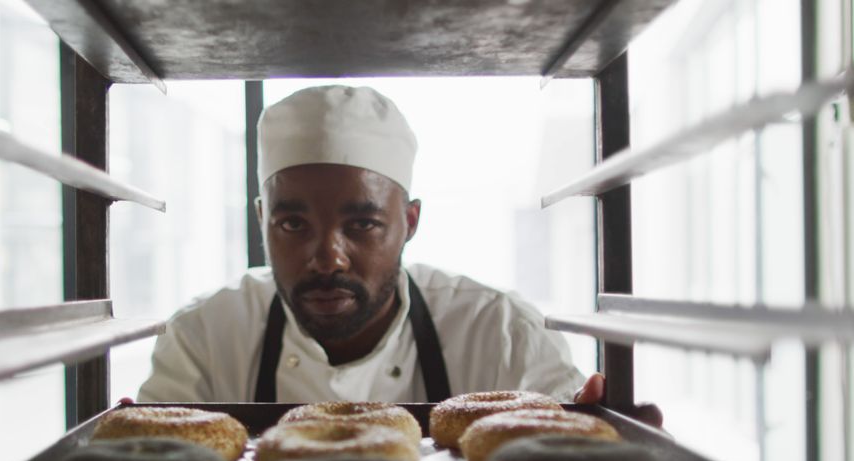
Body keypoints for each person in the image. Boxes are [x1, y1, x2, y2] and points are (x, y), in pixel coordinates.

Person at [137, 85, 660, 427]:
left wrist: (612, 432)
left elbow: (573, 451)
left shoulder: (500, 331)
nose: (328, 259)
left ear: (409, 222)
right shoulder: (203, 336)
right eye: (293, 224)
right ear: (260, 220)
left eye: (362, 224)